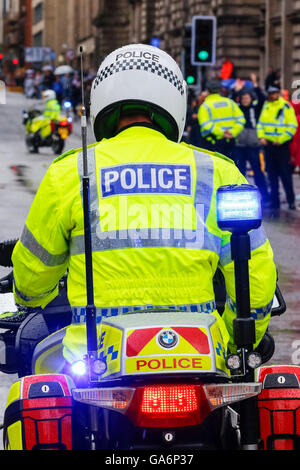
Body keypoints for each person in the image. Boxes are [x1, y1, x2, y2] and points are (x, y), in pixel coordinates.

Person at [11, 44, 276, 371]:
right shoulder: (216, 171)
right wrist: (235, 343)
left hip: (96, 365)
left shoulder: (71, 173)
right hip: (201, 360)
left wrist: (27, 299)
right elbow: (255, 273)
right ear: (176, 101)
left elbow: (31, 279)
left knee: (35, 404)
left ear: (102, 102)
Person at [257, 86, 298, 210]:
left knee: (286, 175)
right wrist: (261, 137)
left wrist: (281, 140)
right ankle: (275, 202)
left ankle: (291, 201)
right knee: (272, 175)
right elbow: (261, 124)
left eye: (274, 93)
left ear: (278, 94)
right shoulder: (266, 106)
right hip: (268, 146)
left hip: (282, 146)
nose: (272, 95)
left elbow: (292, 126)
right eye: (270, 93)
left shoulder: (286, 107)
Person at [234, 77, 270, 205]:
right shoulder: (236, 108)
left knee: (258, 172)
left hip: (253, 145)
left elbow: (262, 99)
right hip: (239, 145)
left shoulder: (256, 108)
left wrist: (256, 85)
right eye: (243, 98)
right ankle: (240, 197)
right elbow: (232, 100)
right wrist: (236, 90)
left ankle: (265, 197)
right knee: (240, 172)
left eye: (247, 98)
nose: (245, 100)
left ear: (251, 98)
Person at [198, 79, 246, 159]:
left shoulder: (205, 106)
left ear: (207, 91)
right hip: (230, 141)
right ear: (220, 90)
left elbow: (205, 124)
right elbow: (241, 120)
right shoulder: (230, 102)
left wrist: (221, 133)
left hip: (212, 142)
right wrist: (232, 132)